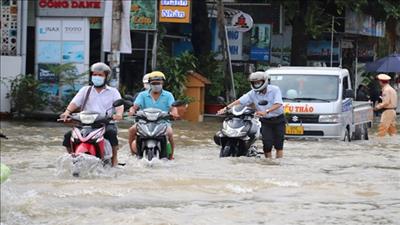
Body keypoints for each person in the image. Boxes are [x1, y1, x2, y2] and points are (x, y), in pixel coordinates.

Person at [60, 62, 124, 167]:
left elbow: (119, 105)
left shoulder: (113, 92)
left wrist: (119, 114)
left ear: (106, 77)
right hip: (85, 123)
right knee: (68, 136)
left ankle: (114, 160)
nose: (96, 77)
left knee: (112, 133)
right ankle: (73, 157)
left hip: (104, 123)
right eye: (94, 75)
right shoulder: (85, 90)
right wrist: (67, 112)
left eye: (100, 75)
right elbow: (74, 103)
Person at [217, 71, 285, 159]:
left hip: (278, 120)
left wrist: (266, 111)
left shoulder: (275, 90)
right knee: (267, 144)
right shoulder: (252, 93)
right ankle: (268, 162)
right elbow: (240, 101)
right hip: (265, 121)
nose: (257, 84)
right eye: (255, 83)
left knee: (279, 145)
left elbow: (278, 103)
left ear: (264, 81)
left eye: (259, 82)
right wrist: (225, 109)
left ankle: (278, 162)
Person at [128, 71, 179, 159]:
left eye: (158, 83)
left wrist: (174, 113)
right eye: (153, 83)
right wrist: (132, 111)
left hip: (163, 122)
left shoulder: (168, 95)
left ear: (162, 83)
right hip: (144, 122)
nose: (156, 85)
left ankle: (171, 155)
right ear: (150, 84)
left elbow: (173, 107)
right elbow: (134, 107)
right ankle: (132, 152)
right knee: (131, 130)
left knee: (170, 133)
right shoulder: (142, 95)